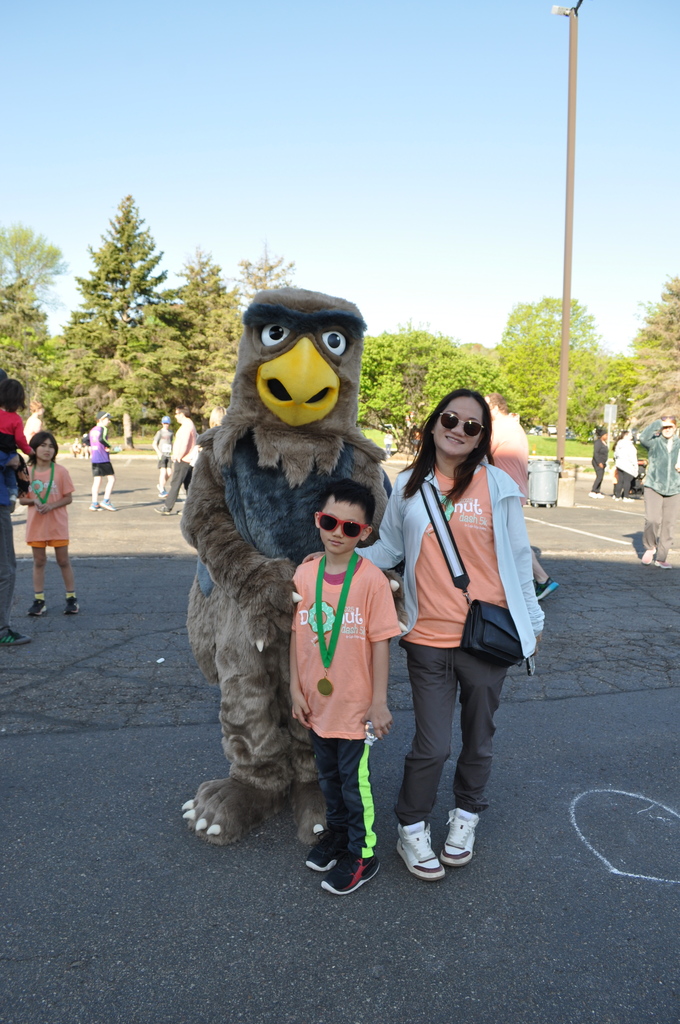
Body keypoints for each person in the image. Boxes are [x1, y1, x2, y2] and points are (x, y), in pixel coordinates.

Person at [359, 388, 544, 880]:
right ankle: (411, 827)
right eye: (451, 419)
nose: (459, 430)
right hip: (426, 636)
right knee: (433, 744)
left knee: (478, 738)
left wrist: (535, 620)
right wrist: (337, 559)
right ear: (433, 424)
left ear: (482, 437)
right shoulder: (408, 486)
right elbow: (388, 551)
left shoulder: (498, 485)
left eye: (472, 426)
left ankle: (465, 816)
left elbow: (519, 558)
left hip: (488, 635)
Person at [290, 479, 401, 894]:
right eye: (330, 522)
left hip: (355, 707)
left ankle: (363, 853)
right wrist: (295, 690)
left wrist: (379, 703)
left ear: (365, 533)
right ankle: (338, 835)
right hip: (317, 703)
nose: (338, 533)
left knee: (356, 785)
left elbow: (381, 643)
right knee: (329, 777)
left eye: (351, 528)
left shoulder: (371, 581)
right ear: (318, 519)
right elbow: (294, 637)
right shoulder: (304, 574)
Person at [486, 393, 559, 601]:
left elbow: (477, 453)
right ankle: (539, 581)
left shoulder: (500, 428)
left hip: (503, 491)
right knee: (510, 540)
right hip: (512, 489)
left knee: (510, 542)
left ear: (496, 407)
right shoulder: (514, 426)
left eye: (486, 406)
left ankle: (540, 580)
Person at [19, 431, 79, 615]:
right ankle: (39, 600)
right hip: (36, 525)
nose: (47, 449)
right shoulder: (26, 472)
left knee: (63, 560)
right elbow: (22, 499)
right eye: (43, 445)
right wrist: (34, 501)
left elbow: (68, 498)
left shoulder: (60, 471)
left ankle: (71, 598)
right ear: (34, 449)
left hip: (57, 524)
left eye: (51, 446)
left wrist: (51, 505)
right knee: (39, 561)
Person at [0, 369, 31, 647]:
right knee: (6, 567)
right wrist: (8, 460)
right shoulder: (12, 419)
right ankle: (2, 629)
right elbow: (20, 444)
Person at [638, 415, 680, 568]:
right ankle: (650, 547)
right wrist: (657, 423)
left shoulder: (679, 444)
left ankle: (662, 557)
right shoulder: (654, 442)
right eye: (665, 427)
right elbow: (642, 438)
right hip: (654, 486)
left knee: (669, 524)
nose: (667, 430)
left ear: (675, 428)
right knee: (652, 519)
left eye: (670, 427)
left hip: (675, 488)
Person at [155, 407, 197, 515]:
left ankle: (167, 507)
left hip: (183, 460)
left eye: (177, 414)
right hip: (187, 459)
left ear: (182, 414)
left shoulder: (187, 426)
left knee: (176, 483)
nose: (175, 416)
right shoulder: (189, 424)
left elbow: (185, 443)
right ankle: (191, 509)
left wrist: (178, 455)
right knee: (188, 485)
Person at [0, 377, 33, 508]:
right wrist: (29, 451)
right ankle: (13, 494)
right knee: (11, 471)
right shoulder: (16, 419)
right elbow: (20, 439)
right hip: (8, 453)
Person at [89, 412, 116, 511]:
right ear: (101, 419)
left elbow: (86, 440)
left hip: (95, 458)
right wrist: (108, 446)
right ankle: (106, 501)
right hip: (103, 458)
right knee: (112, 479)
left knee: (97, 481)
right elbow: (102, 438)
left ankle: (94, 503)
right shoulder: (103, 429)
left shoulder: (92, 430)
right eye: (107, 419)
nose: (109, 421)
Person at [612, 430, 638, 502]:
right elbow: (632, 457)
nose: (631, 437)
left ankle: (617, 496)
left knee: (620, 480)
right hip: (628, 465)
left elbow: (615, 454)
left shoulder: (619, 444)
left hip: (620, 464)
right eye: (630, 435)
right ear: (625, 436)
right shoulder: (629, 445)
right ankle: (626, 497)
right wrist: (635, 466)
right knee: (627, 481)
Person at [152, 416, 174, 497]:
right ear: (162, 423)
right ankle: (161, 489)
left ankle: (161, 485)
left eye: (167, 423)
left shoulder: (171, 432)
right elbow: (154, 444)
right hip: (162, 455)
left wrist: (173, 452)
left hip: (168, 455)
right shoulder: (160, 433)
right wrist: (158, 452)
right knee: (163, 471)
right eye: (164, 423)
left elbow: (171, 442)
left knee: (169, 473)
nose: (166, 425)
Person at [589, 428, 608, 498]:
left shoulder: (604, 443)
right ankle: (593, 490)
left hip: (603, 462)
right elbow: (596, 453)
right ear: (602, 435)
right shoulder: (598, 443)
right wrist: (599, 462)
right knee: (599, 477)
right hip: (597, 462)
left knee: (601, 477)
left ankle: (597, 491)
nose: (607, 436)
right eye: (606, 435)